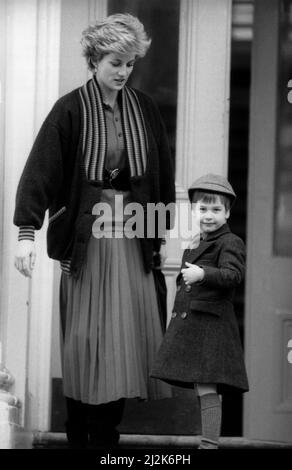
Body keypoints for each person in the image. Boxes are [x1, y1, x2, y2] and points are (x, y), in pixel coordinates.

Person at [13, 13, 175, 448]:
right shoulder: (69, 109)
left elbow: (161, 171)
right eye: (114, 63)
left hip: (134, 234)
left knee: (128, 341)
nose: (122, 72)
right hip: (87, 239)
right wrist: (26, 232)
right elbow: (41, 171)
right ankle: (79, 434)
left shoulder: (144, 108)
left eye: (129, 64)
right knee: (88, 340)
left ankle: (107, 439)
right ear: (93, 60)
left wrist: (161, 235)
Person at [151, 173, 249, 449]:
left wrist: (203, 273)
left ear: (227, 212)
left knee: (208, 388)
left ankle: (209, 444)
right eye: (203, 209)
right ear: (194, 210)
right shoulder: (197, 241)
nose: (209, 215)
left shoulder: (230, 242)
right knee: (202, 388)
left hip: (211, 328)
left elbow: (233, 275)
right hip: (196, 327)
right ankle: (208, 442)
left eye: (216, 210)